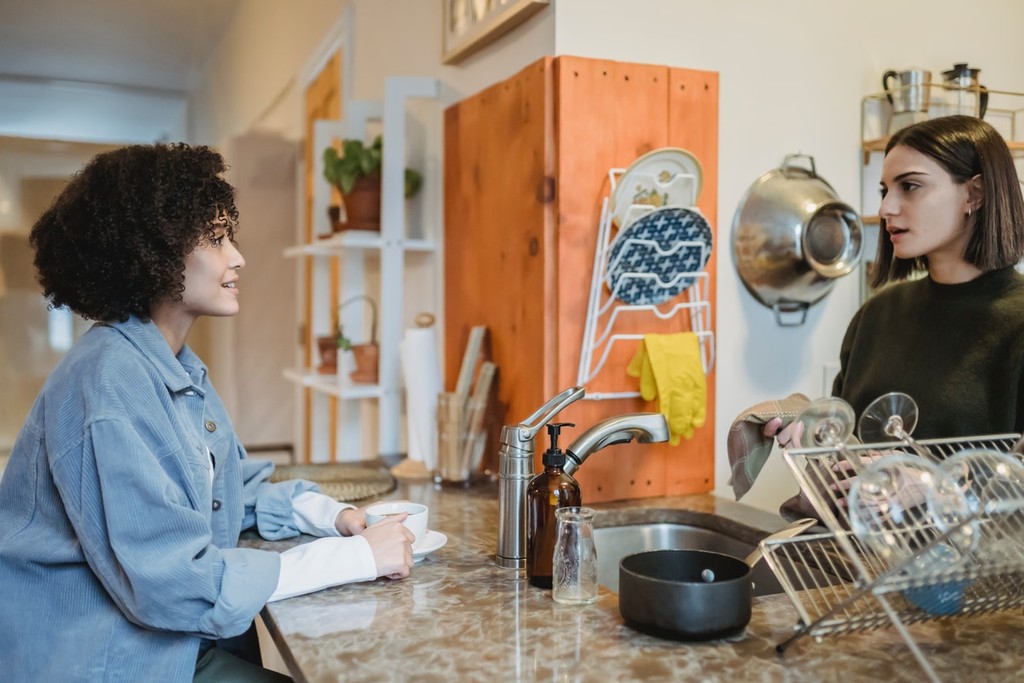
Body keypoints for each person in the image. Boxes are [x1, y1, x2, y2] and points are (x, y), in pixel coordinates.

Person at [0, 143, 415, 683]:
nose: (237, 256)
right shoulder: (108, 380)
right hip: (107, 657)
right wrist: (356, 559)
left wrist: (328, 515)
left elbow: (220, 493)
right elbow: (172, 581)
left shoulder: (174, 366)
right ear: (153, 255)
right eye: (217, 240)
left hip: (163, 639)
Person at [762, 114, 1024, 502]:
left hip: (984, 563)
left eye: (910, 186)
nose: (887, 207)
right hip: (861, 557)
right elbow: (849, 450)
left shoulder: (1016, 322)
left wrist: (942, 488)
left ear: (975, 194)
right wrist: (816, 434)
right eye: (885, 190)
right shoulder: (876, 315)